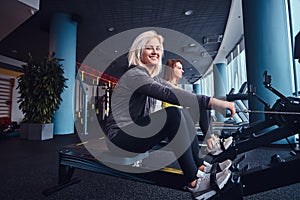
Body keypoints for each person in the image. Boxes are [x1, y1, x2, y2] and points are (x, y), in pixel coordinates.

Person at [105, 30, 236, 199]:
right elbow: (169, 96)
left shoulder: (150, 77)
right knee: (173, 113)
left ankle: (201, 167)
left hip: (133, 134)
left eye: (158, 48)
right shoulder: (134, 74)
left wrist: (206, 103)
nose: (155, 52)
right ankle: (194, 182)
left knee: (181, 112)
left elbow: (174, 91)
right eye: (149, 48)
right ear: (139, 51)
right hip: (118, 139)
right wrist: (215, 102)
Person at [162, 59, 233, 155]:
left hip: (181, 117)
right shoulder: (166, 86)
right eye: (179, 68)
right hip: (173, 121)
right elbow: (168, 109)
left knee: (204, 106)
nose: (182, 71)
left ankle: (211, 140)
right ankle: (211, 143)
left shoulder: (175, 86)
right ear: (171, 70)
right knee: (201, 106)